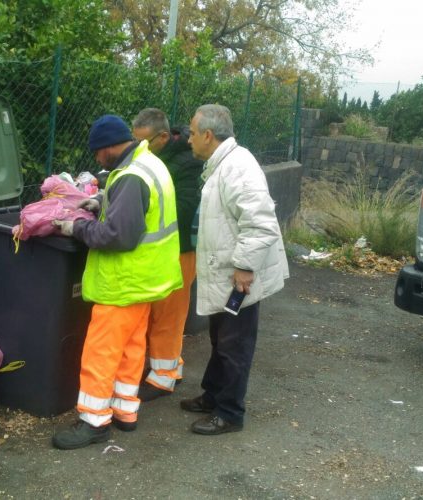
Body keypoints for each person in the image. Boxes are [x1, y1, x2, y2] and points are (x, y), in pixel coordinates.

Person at [50, 115, 182, 449]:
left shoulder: (131, 176)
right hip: (147, 281)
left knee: (101, 351)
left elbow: (118, 235)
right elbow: (138, 210)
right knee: (131, 348)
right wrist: (101, 202)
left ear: (110, 147)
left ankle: (94, 422)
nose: (97, 159)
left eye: (98, 152)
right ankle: (125, 413)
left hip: (123, 282)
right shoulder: (148, 162)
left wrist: (75, 228)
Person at [180, 104, 289, 435]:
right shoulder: (224, 164)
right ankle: (213, 395)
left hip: (238, 277)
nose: (188, 140)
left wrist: (243, 267)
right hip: (225, 273)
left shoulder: (238, 167)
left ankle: (229, 413)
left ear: (208, 136)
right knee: (220, 338)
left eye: (192, 133)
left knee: (234, 344)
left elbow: (260, 224)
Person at [131, 108, 202, 400]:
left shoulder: (187, 162)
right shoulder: (154, 156)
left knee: (169, 315)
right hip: (159, 250)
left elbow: (183, 209)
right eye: (135, 141)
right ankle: (172, 365)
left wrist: (143, 207)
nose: (139, 148)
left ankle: (163, 377)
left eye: (145, 142)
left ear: (163, 136)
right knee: (158, 314)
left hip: (180, 250)